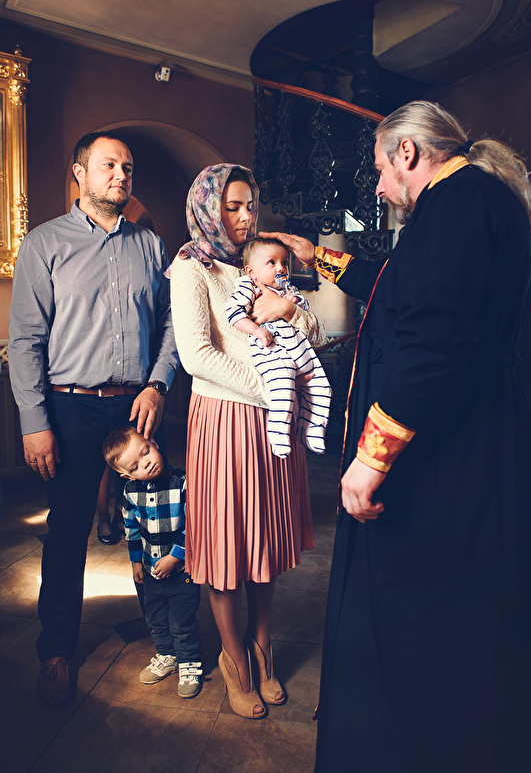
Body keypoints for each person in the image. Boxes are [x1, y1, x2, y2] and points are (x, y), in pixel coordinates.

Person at [261, 101, 531, 773]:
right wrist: (318, 258)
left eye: (381, 169)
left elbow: (431, 341)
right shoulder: (470, 200)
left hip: (446, 457)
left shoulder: (456, 207)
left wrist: (370, 457)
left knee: (425, 619)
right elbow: (392, 285)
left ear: (408, 153)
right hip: (471, 443)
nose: (380, 187)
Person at [8, 132, 178, 707]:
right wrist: (35, 421)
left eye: (128, 167)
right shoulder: (45, 243)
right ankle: (56, 651)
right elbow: (26, 339)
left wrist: (157, 384)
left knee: (157, 523)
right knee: (68, 529)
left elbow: (172, 324)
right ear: (79, 173)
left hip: (137, 405)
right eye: (109, 165)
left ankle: (170, 640)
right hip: (71, 406)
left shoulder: (151, 246)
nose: (121, 175)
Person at [169, 163, 325, 719]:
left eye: (250, 205)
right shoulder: (191, 267)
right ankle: (235, 662)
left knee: (264, 545)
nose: (244, 216)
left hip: (271, 425)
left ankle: (263, 652)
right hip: (225, 419)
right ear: (209, 208)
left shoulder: (263, 261)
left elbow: (313, 332)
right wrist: (274, 388)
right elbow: (197, 356)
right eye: (232, 206)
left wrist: (290, 309)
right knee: (226, 546)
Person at [103, 426, 202, 698]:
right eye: (135, 466)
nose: (145, 463)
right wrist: (136, 562)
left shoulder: (183, 482)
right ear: (126, 475)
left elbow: (195, 525)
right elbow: (132, 530)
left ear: (154, 443)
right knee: (156, 618)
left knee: (182, 621)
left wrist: (175, 557)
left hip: (182, 572)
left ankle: (189, 662)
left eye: (145, 452)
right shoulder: (130, 492)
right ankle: (167, 655)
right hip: (150, 573)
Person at [226, 237, 331, 458]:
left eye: (284, 262)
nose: (281, 268)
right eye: (272, 263)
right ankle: (278, 432)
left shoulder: (288, 288)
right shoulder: (249, 286)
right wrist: (256, 330)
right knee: (283, 384)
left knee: (322, 386)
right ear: (251, 271)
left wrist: (294, 302)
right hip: (271, 348)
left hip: (298, 347)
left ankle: (311, 430)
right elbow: (233, 314)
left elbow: (306, 312)